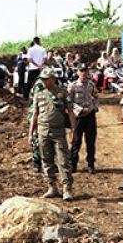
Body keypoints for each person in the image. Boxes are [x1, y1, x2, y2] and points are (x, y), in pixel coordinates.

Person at [28, 67, 75, 200]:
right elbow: (35, 115)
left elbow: (70, 112)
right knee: (46, 159)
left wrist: (73, 130)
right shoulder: (39, 94)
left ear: (53, 79)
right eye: (42, 79)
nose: (44, 81)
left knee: (63, 160)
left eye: (46, 79)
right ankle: (52, 186)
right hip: (43, 130)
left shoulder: (63, 93)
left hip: (58, 131)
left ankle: (67, 189)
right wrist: (30, 133)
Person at [67, 65, 99, 174]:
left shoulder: (91, 85)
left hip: (90, 116)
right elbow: (69, 102)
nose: (84, 73)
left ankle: (91, 164)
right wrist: (80, 110)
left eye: (85, 71)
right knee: (76, 141)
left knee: (90, 141)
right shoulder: (73, 86)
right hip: (78, 117)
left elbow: (96, 97)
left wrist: (93, 108)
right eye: (81, 71)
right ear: (77, 73)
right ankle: (73, 164)